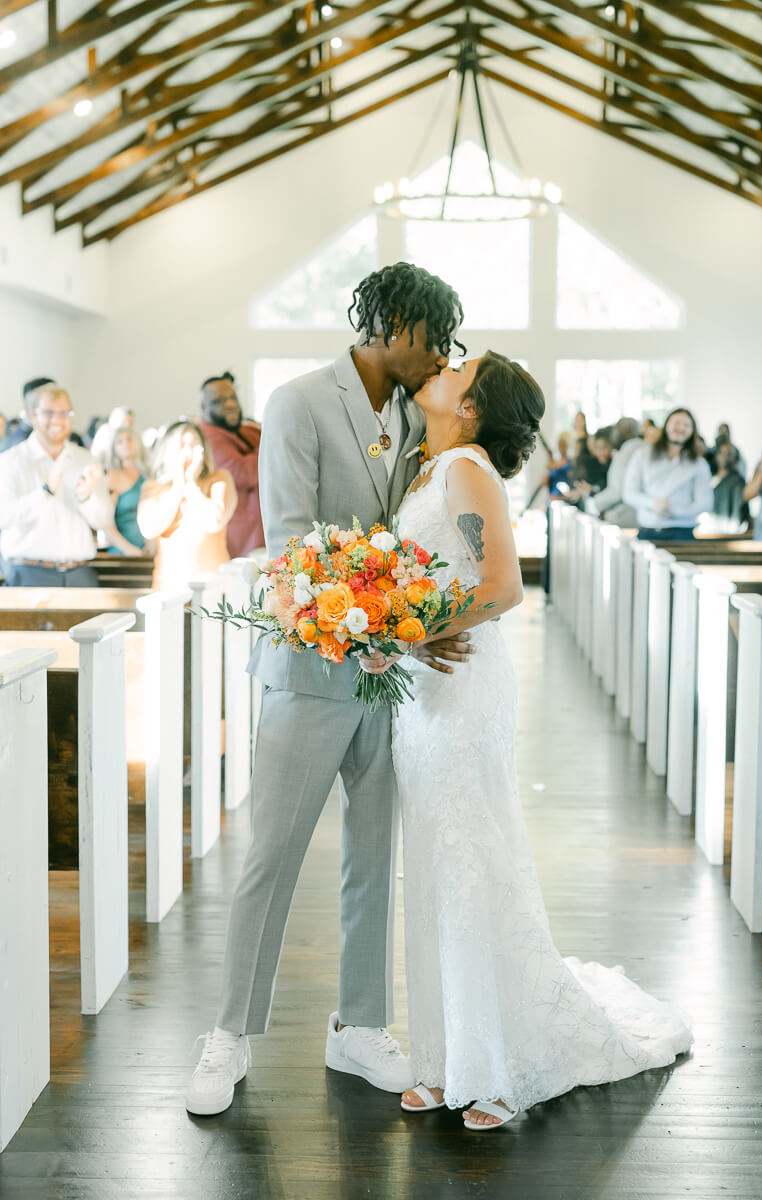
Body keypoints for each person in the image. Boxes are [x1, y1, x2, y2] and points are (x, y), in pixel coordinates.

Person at [360, 353, 692, 1128]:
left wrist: (409, 632)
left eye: (457, 367)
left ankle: (501, 1065)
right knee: (435, 865)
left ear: (472, 407)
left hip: (465, 682)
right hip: (422, 689)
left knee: (474, 857)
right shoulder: (424, 468)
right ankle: (443, 1057)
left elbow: (502, 586)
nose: (440, 366)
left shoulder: (467, 469)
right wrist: (386, 633)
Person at [184, 262, 471, 1118]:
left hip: (390, 681)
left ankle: (360, 1026)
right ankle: (229, 1032)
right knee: (270, 858)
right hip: (310, 670)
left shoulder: (415, 420)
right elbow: (294, 543)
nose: (442, 355)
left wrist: (416, 624)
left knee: (371, 857)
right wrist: (392, 617)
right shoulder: (301, 402)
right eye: (436, 336)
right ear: (392, 324)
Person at [0, 383, 113, 586]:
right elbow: (4, 516)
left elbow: (103, 520)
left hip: (78, 573)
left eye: (64, 413)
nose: (57, 421)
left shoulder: (86, 460)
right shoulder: (11, 461)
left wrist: (86, 497)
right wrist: (45, 492)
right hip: (29, 573)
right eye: (49, 413)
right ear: (32, 416)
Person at [137, 421, 237, 590]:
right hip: (169, 589)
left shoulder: (219, 479)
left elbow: (215, 521)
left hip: (214, 589)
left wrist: (191, 484)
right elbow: (149, 528)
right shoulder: (153, 487)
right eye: (183, 444)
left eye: (194, 444)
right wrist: (179, 485)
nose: (189, 451)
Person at [197, 372, 264, 557]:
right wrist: (267, 445)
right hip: (240, 542)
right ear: (204, 407)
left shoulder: (244, 430)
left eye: (232, 397)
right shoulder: (207, 437)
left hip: (258, 535)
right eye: (219, 401)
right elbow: (243, 472)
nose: (230, 404)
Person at [623, 408, 713, 541]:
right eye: (677, 422)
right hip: (647, 531)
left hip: (682, 534)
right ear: (666, 425)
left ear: (692, 431)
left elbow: (705, 503)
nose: (680, 428)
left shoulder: (699, 464)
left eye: (686, 425)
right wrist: (652, 504)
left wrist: (675, 511)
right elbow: (628, 493)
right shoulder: (642, 455)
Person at [102, 427, 151, 555]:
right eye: (120, 441)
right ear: (114, 448)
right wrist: (129, 549)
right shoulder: (112, 478)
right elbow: (106, 523)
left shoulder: (149, 475)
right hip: (123, 551)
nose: (125, 444)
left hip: (151, 549)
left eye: (129, 439)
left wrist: (152, 546)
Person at [586, 416, 642, 527]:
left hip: (623, 517)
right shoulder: (646, 449)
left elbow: (616, 492)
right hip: (642, 518)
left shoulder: (624, 454)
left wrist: (595, 503)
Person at [710, 443, 749, 528]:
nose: (725, 456)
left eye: (729, 453)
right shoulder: (710, 479)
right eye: (721, 452)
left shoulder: (738, 481)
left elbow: (737, 512)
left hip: (725, 533)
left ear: (736, 458)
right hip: (707, 530)